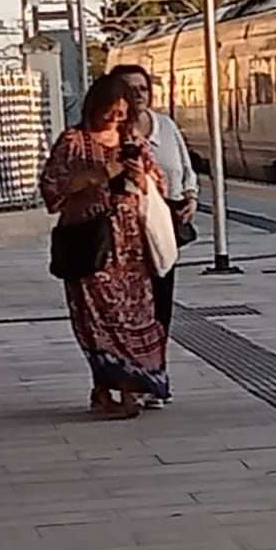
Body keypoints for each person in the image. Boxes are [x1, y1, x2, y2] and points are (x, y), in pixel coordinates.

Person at [38, 73, 171, 419]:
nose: (116, 119)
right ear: (95, 107)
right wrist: (99, 174)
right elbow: (52, 189)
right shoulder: (73, 142)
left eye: (122, 113)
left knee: (134, 315)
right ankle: (115, 391)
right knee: (99, 318)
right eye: (110, 112)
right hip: (89, 246)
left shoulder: (133, 140)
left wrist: (140, 178)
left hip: (130, 249)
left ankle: (116, 389)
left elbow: (157, 183)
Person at [111, 63, 195, 346]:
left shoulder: (166, 126)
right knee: (129, 302)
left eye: (143, 88)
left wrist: (191, 196)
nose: (138, 94)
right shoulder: (108, 132)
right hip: (123, 232)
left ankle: (155, 366)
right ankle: (131, 374)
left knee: (162, 297)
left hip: (163, 224)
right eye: (129, 89)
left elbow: (185, 168)